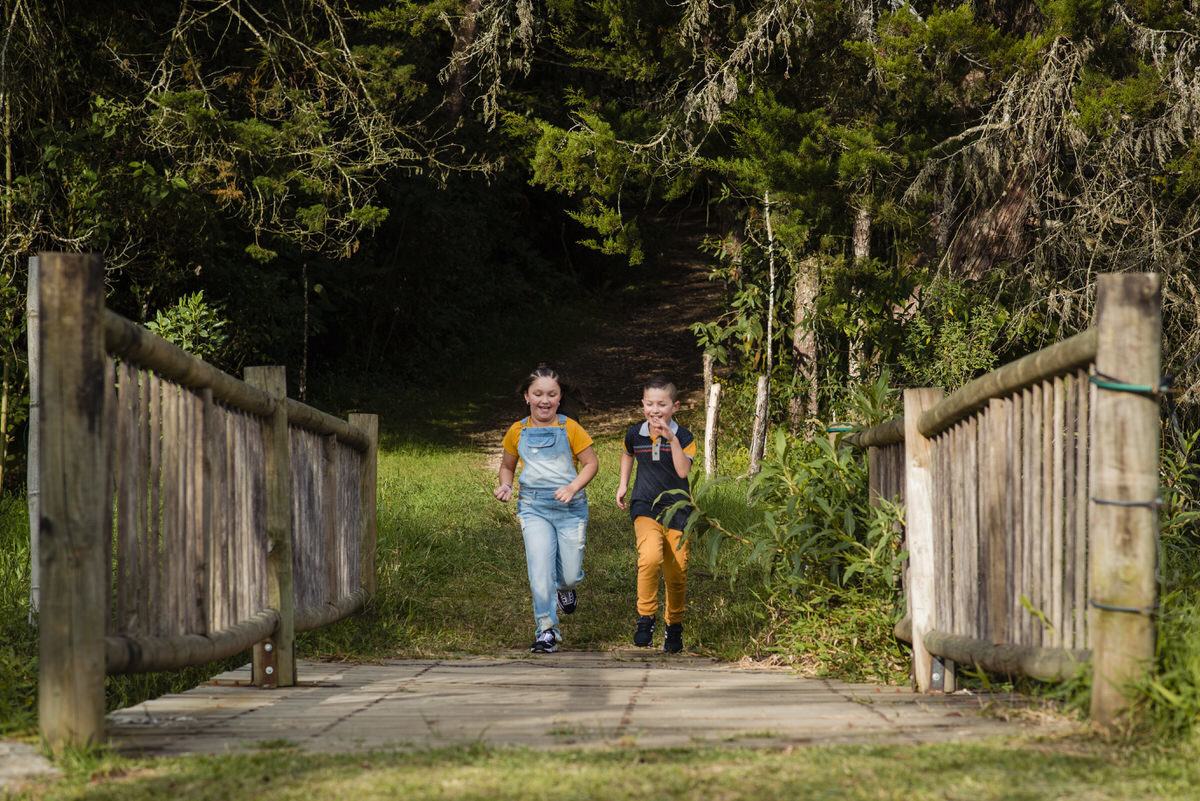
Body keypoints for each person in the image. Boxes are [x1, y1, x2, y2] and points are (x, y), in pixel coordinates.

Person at [495, 365, 599, 654]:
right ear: (526, 397)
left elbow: (591, 463)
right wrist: (506, 485)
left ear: (559, 397)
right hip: (533, 507)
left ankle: (565, 590)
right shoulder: (518, 430)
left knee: (568, 575)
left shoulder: (570, 428)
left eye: (551, 394)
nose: (544, 400)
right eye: (538, 394)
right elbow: (507, 466)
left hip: (570, 508)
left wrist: (572, 487)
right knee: (539, 569)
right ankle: (546, 629)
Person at [615, 376, 696, 653]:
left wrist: (671, 438)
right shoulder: (635, 434)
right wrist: (624, 483)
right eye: (649, 404)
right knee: (649, 558)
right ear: (642, 405)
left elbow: (683, 471)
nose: (655, 410)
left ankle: (674, 625)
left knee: (677, 571)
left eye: (662, 404)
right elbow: (627, 452)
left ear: (675, 406)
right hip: (645, 506)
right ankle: (645, 619)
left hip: (679, 511)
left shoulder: (684, 437)